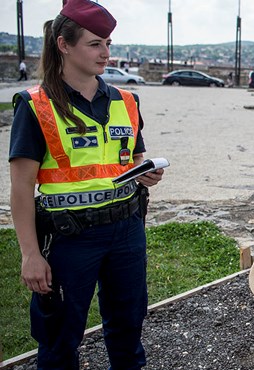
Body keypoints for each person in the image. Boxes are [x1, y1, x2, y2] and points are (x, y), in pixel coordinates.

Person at [8, 0, 164, 368]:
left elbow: (133, 162)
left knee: (128, 331)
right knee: (59, 340)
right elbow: (19, 191)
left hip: (126, 232)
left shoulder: (127, 101)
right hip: (68, 240)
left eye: (108, 43)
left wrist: (147, 174)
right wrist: (30, 254)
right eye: (95, 44)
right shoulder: (36, 106)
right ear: (63, 44)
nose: (106, 53)